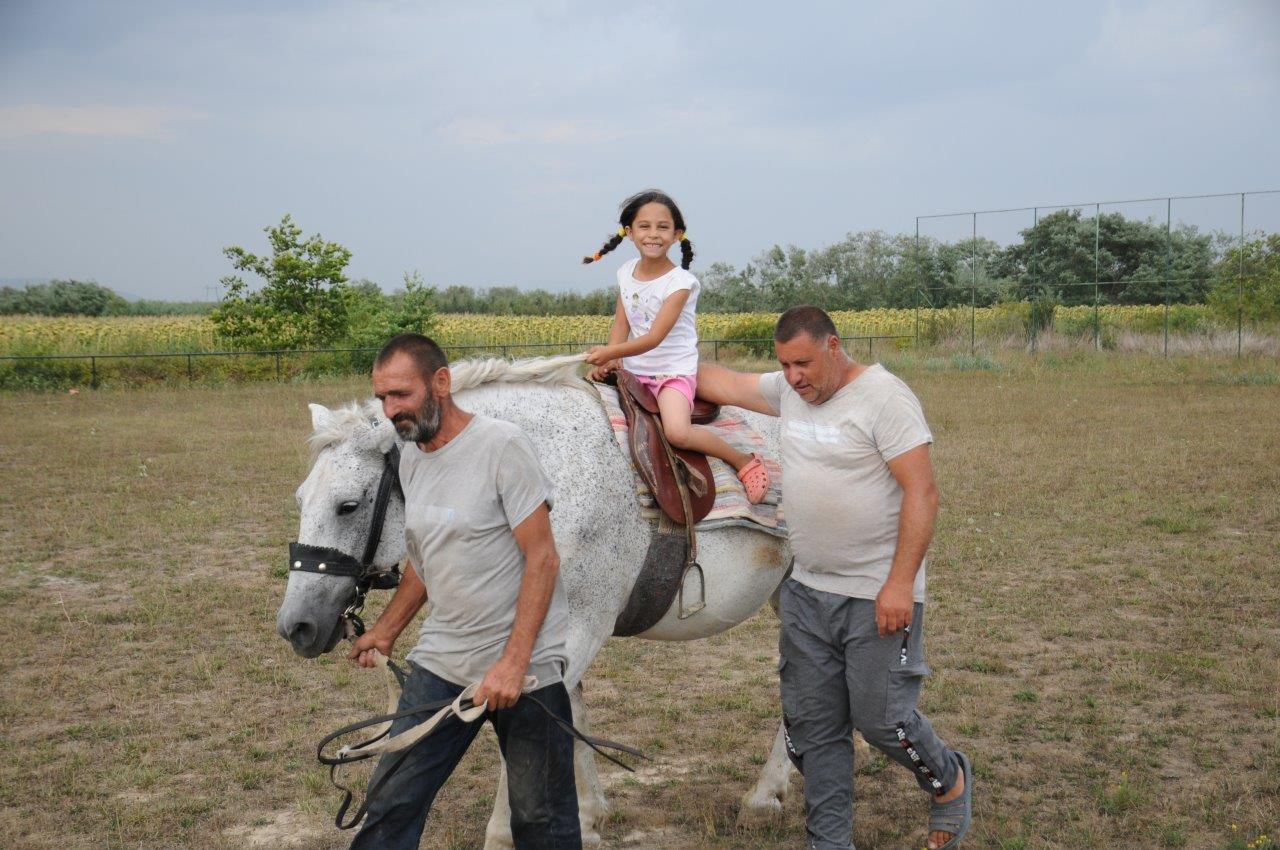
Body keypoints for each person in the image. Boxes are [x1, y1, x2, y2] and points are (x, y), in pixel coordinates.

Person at [697, 306, 973, 850]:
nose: (794, 376)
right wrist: (643, 362)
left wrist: (898, 584)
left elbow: (923, 493)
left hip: (875, 593)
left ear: (833, 346)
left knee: (882, 721)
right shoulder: (789, 392)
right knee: (815, 727)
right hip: (807, 590)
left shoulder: (885, 399)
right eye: (785, 365)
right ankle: (830, 841)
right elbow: (720, 379)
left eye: (803, 362)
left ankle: (949, 780)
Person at [345, 333, 581, 850]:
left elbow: (543, 558)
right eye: (383, 397)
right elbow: (426, 560)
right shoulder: (409, 457)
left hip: (526, 671)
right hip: (442, 662)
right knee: (390, 804)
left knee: (542, 820)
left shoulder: (503, 446)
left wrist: (513, 665)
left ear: (442, 382)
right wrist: (385, 630)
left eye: (401, 394)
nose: (391, 410)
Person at [581, 189, 770, 504]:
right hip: (635, 372)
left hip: (670, 374)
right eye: (644, 226)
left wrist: (610, 353)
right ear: (629, 233)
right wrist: (611, 360)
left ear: (676, 234)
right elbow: (621, 324)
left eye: (662, 227)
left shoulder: (680, 283)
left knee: (677, 432)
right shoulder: (625, 273)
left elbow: (655, 337)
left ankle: (742, 460)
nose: (653, 234)